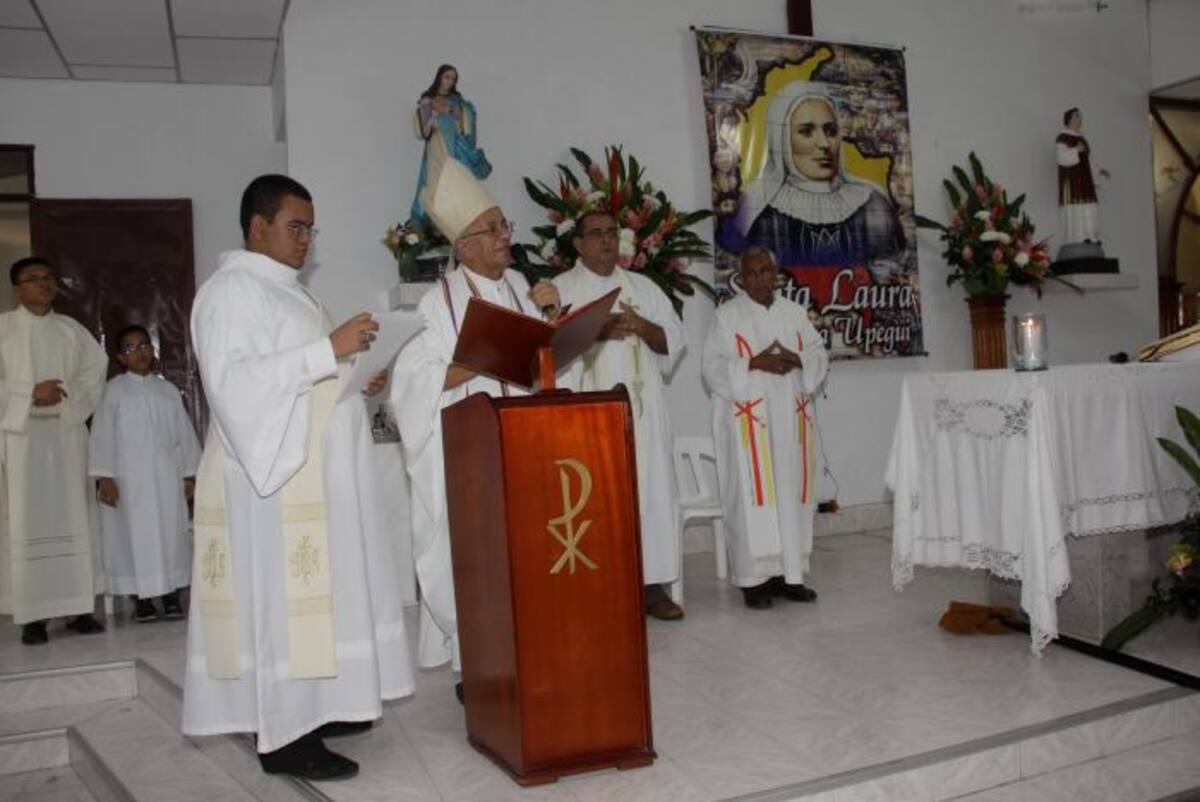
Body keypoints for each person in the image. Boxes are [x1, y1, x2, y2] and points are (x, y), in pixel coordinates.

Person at [181, 174, 413, 781]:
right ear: (257, 227)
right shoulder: (232, 292)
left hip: (315, 475)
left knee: (320, 599)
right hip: (275, 483)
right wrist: (326, 352)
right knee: (284, 605)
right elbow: (234, 387)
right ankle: (282, 734)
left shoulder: (294, 295)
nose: (307, 239)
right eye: (296, 226)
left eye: (311, 228)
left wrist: (359, 373)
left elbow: (309, 382)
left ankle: (322, 704)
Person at [392, 138, 560, 681]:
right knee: (477, 559)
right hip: (472, 456)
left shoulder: (519, 285)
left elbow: (542, 366)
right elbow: (413, 387)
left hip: (524, 445)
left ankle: (524, 651)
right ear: (462, 245)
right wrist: (485, 358)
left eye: (504, 224)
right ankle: (478, 669)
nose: (506, 236)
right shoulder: (435, 302)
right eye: (493, 229)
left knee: (525, 556)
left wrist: (553, 324)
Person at [556, 211, 686, 620]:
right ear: (577, 244)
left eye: (612, 233)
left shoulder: (643, 288)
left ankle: (652, 587)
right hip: (586, 419)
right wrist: (592, 333)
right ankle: (600, 590)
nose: (606, 241)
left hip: (643, 418)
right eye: (595, 234)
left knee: (650, 495)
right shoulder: (559, 290)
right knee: (594, 500)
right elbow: (547, 354)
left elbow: (674, 342)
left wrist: (642, 326)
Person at [701, 247, 829, 609]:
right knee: (750, 496)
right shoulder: (726, 316)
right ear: (740, 278)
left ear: (776, 274)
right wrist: (753, 363)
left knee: (791, 495)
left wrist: (797, 359)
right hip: (749, 425)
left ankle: (790, 575)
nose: (758, 279)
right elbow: (711, 367)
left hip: (790, 418)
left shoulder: (795, 313)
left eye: (764, 271)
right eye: (750, 273)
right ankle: (754, 580)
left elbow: (819, 353)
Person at [0, 256, 107, 645]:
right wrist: (29, 394)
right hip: (22, 441)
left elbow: (95, 370)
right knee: (28, 521)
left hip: (64, 438)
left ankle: (79, 608)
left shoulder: (70, 330)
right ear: (17, 288)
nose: (44, 285)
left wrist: (65, 397)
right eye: (33, 279)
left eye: (48, 278)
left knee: (73, 517)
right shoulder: (4, 330)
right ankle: (33, 617)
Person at [88, 324, 201, 622]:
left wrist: (189, 474)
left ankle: (172, 595)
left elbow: (184, 434)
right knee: (132, 536)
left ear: (153, 351)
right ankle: (142, 600)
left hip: (166, 476)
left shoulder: (166, 391)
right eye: (130, 348)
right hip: (129, 478)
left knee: (170, 533)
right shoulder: (112, 392)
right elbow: (101, 436)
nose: (139, 352)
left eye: (144, 346)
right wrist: (105, 477)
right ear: (120, 358)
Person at [731, 80, 903, 267]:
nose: (824, 143)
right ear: (781, 140)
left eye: (830, 131)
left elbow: (891, 275)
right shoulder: (761, 214)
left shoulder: (872, 205)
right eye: (806, 131)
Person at [410, 64, 492, 226]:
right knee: (434, 182)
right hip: (436, 146)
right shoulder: (427, 99)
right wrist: (429, 114)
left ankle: (451, 222)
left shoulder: (457, 101)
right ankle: (433, 225)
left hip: (453, 148)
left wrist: (450, 110)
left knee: (452, 182)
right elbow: (424, 132)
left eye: (453, 78)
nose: (449, 81)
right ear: (439, 77)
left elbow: (467, 119)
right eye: (447, 76)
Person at [1056, 107, 1109, 245]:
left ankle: (1091, 235)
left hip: (1085, 179)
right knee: (1076, 208)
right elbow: (1061, 158)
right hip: (1072, 181)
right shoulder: (1062, 138)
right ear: (1069, 119)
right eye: (1077, 116)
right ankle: (1077, 237)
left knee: (1090, 205)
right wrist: (1075, 150)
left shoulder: (1082, 139)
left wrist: (1098, 170)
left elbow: (1088, 160)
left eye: (1080, 116)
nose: (1079, 119)